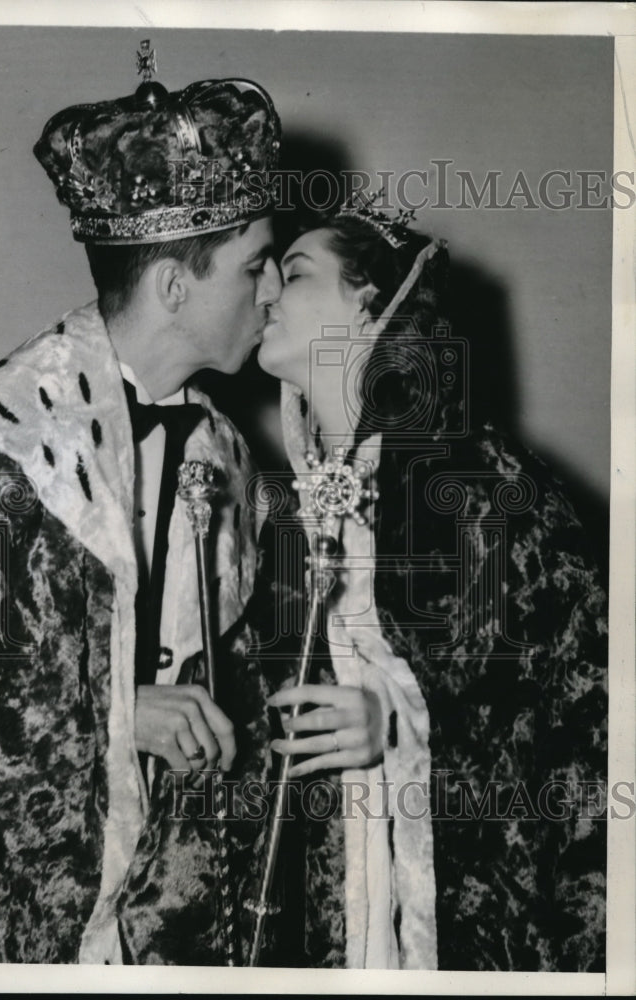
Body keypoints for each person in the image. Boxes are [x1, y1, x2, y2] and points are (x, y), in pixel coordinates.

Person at [0, 55, 285, 964]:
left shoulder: (234, 461)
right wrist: (119, 715)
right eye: (257, 266)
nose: (274, 292)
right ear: (173, 286)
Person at [255, 203, 608, 970]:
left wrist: (398, 719)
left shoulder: (481, 482)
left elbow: (570, 706)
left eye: (294, 275)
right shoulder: (281, 509)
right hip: (335, 911)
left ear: (371, 303)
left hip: (470, 914)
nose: (264, 298)